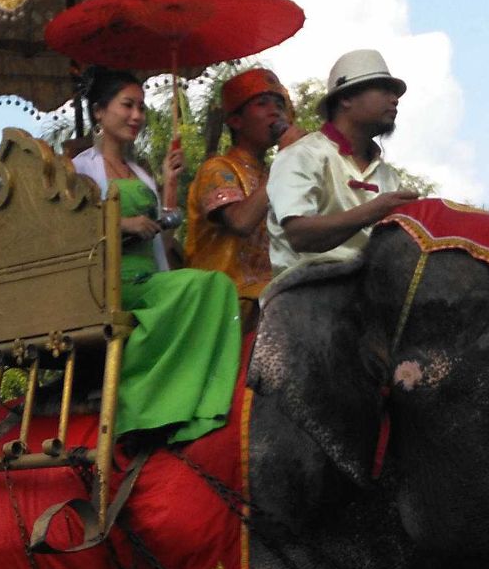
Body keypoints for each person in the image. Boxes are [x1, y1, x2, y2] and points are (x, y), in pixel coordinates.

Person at [70, 68, 241, 446]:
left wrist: (169, 184)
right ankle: (134, 399)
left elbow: (163, 237)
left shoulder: (140, 173)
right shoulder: (80, 169)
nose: (137, 116)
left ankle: (195, 404)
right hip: (106, 285)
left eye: (142, 108)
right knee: (198, 287)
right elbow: (71, 235)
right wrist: (121, 224)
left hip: (149, 279)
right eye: (127, 106)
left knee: (215, 285)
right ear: (99, 111)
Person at [266, 48, 425, 280]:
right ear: (345, 98)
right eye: (383, 90)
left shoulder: (388, 176)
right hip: (302, 293)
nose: (395, 100)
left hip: (368, 296)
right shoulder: (302, 155)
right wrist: (373, 211)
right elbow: (300, 235)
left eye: (395, 94)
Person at [179, 66, 299, 304]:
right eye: (262, 104)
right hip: (226, 301)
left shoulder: (271, 173)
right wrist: (284, 160)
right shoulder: (217, 169)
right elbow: (240, 221)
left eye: (279, 105)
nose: (275, 112)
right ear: (236, 121)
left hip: (273, 296)